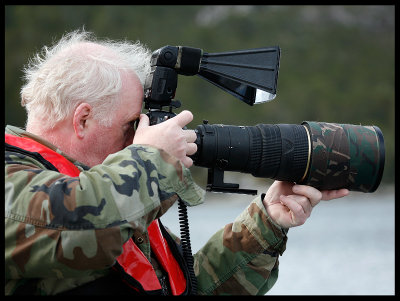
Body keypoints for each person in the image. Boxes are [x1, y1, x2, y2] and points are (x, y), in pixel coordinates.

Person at [5, 29, 349, 295]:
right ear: (83, 120)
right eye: (132, 124)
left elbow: (189, 287)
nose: (140, 137)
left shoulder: (118, 199)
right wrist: (152, 158)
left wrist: (267, 223)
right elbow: (83, 224)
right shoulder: (15, 182)